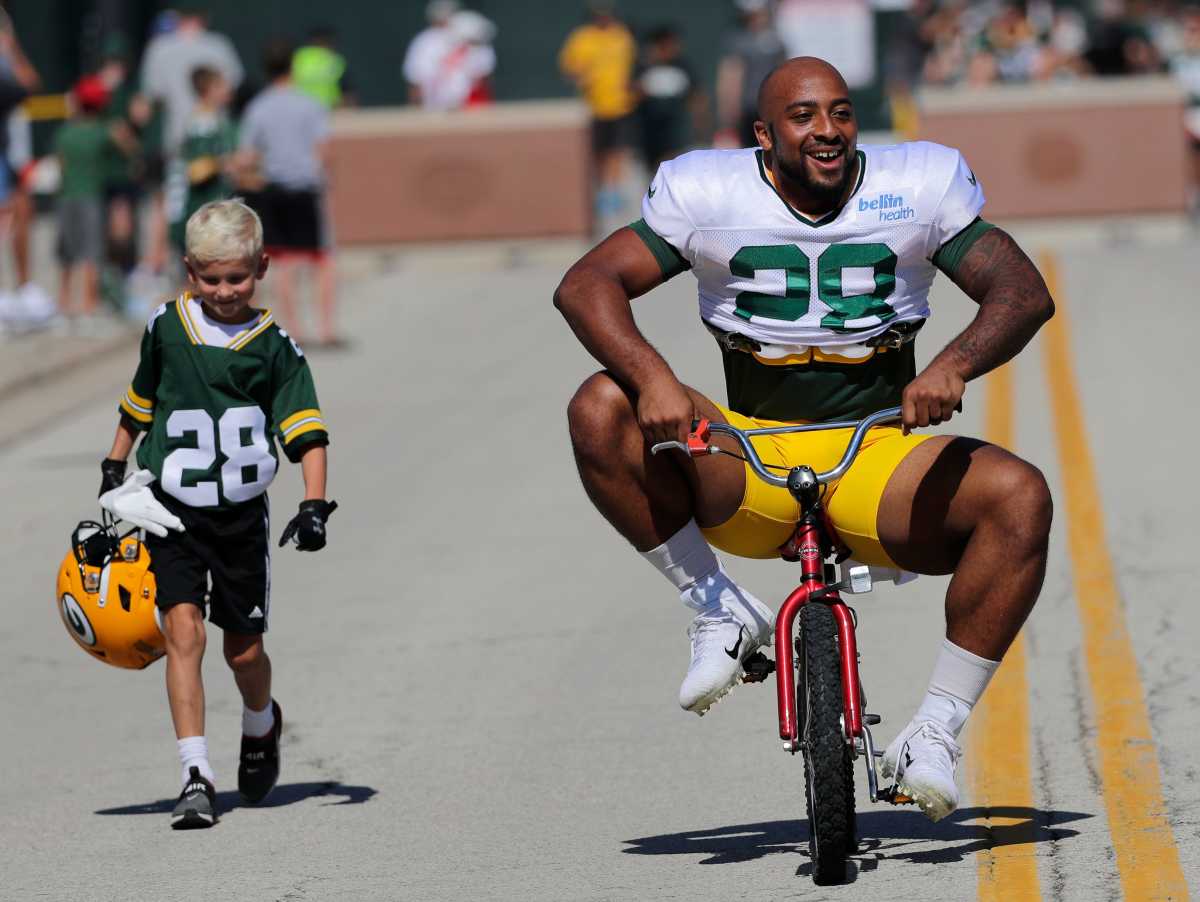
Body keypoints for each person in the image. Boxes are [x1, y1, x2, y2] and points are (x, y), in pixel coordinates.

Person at [554, 58, 1055, 822]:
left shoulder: (918, 182)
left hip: (879, 451)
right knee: (599, 404)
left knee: (1020, 497)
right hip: (746, 451)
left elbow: (1021, 291)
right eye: (804, 115)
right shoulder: (707, 190)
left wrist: (953, 366)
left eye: (841, 112)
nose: (827, 130)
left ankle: (935, 729)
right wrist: (654, 377)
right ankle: (718, 606)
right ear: (763, 132)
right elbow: (586, 283)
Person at [97, 199, 336, 829]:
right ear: (188, 272)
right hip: (170, 508)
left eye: (237, 277)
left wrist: (314, 505)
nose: (224, 291)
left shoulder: (274, 348)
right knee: (184, 633)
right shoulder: (166, 327)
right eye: (210, 278)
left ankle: (261, 722)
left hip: (238, 517)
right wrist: (114, 465)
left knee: (243, 653)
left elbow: (307, 432)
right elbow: (140, 401)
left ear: (261, 266)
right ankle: (194, 773)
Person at [238, 41, 338, 346]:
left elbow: (248, 155)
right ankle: (326, 329)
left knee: (284, 261)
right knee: (322, 259)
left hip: (275, 189)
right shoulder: (310, 104)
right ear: (292, 67)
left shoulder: (258, 107)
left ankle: (295, 330)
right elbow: (323, 150)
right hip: (306, 188)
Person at [139, 8, 243, 272]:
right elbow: (198, 170)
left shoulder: (161, 48)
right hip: (192, 154)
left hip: (184, 145)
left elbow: (151, 97)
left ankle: (162, 264)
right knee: (191, 223)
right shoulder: (218, 46)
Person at [559, 2, 638, 217]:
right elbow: (569, 69)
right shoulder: (582, 38)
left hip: (621, 104)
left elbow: (632, 65)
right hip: (594, 107)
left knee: (617, 150)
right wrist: (581, 78)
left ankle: (613, 191)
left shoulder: (622, 36)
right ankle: (601, 190)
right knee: (597, 153)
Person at [55, 76, 116, 324]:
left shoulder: (66, 132)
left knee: (67, 252)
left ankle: (64, 302)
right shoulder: (102, 132)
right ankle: (89, 303)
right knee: (92, 252)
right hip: (91, 195)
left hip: (67, 195)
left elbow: (60, 162)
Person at [168, 66, 238, 253]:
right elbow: (196, 170)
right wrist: (228, 162)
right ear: (208, 90)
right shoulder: (201, 124)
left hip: (212, 208)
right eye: (221, 85)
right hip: (197, 209)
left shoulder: (217, 120)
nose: (228, 90)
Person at [714, 0, 785, 149]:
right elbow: (730, 77)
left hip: (772, 105)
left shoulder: (776, 40)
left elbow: (784, 70)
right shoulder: (738, 41)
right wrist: (729, 110)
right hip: (748, 109)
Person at [634, 25, 705, 169]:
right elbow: (633, 93)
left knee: (672, 162)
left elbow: (697, 96)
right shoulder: (644, 67)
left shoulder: (683, 66)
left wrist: (699, 123)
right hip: (649, 130)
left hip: (676, 129)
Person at [403, 0, 460, 108]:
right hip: (434, 108)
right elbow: (415, 78)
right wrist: (415, 107)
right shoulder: (424, 41)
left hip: (467, 106)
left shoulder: (465, 38)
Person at [292, 26, 354, 109]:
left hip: (299, 108)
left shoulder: (298, 57)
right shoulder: (334, 59)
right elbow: (347, 91)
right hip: (327, 110)